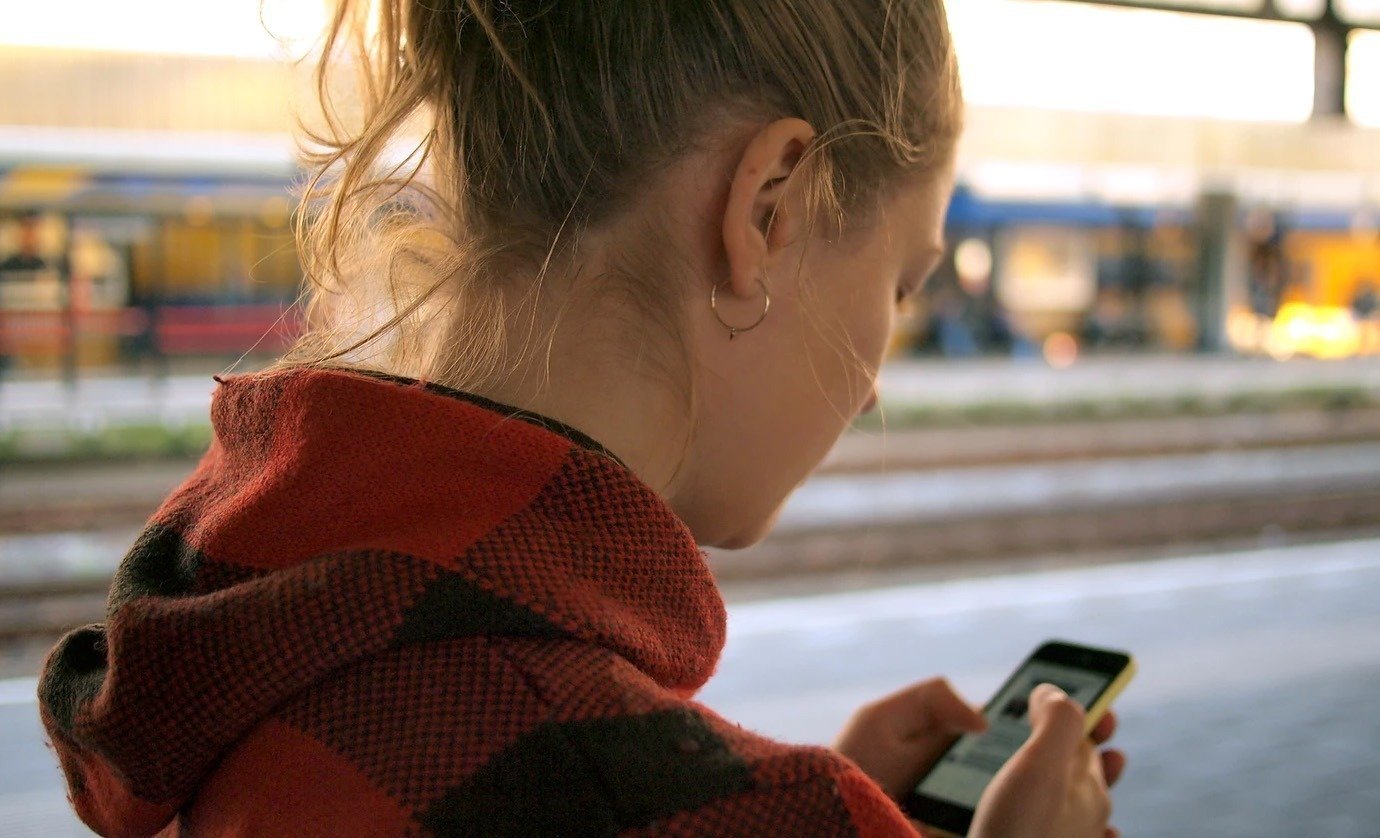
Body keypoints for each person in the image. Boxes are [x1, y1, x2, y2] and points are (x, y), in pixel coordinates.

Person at [37, 1, 1125, 835]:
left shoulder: (243, 630)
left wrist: (737, 781)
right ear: (769, 208)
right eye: (899, 281)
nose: (876, 377)